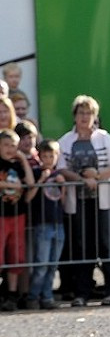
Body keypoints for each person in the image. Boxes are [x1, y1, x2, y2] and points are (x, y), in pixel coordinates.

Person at [58, 95, 110, 307]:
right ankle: (82, 292)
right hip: (78, 200)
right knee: (82, 246)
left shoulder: (104, 137)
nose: (85, 117)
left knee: (106, 244)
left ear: (95, 116)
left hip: (103, 200)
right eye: (81, 113)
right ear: (75, 116)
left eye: (89, 113)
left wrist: (95, 176)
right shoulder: (66, 141)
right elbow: (61, 168)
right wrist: (82, 179)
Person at [26, 139, 65, 310]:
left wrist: (63, 186)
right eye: (46, 156)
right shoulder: (35, 172)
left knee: (52, 264)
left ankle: (47, 296)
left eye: (52, 156)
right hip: (42, 224)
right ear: (40, 157)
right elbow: (29, 197)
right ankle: (34, 296)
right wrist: (42, 179)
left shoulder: (59, 175)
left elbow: (62, 200)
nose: (49, 159)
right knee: (41, 263)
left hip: (58, 222)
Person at [0, 128, 35, 311]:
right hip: (1, 216)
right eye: (5, 145)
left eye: (13, 145)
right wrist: (9, 184)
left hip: (17, 216)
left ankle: (12, 295)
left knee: (16, 256)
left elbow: (30, 183)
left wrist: (22, 159)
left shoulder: (18, 165)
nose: (9, 149)